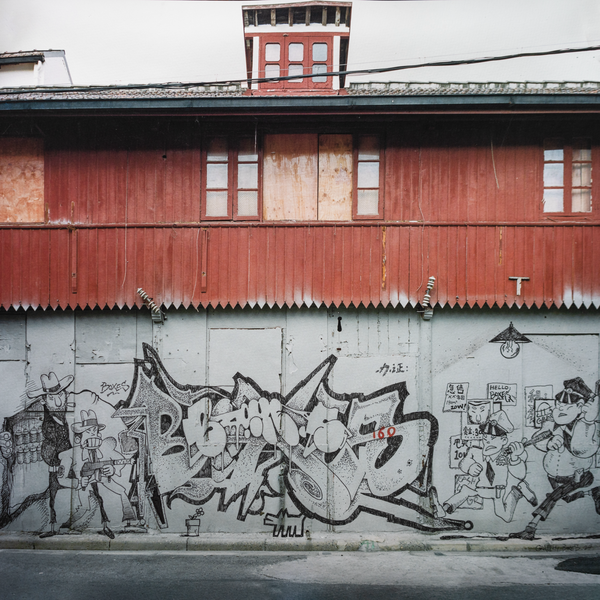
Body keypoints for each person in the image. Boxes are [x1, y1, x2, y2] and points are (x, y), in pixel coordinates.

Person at [510, 377, 600, 540]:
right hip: (553, 476)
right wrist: (547, 443)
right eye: (559, 405)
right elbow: (539, 437)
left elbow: (582, 450)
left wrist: (588, 421)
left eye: (567, 406)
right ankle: (593, 492)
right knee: (565, 497)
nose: (560, 408)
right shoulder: (554, 423)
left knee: (552, 498)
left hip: (578, 476)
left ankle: (530, 528)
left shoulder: (585, 426)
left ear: (581, 406)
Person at [443, 410, 537, 523]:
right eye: (485, 439)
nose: (487, 443)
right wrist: (470, 466)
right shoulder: (475, 452)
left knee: (504, 516)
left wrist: (515, 458)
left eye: (492, 439)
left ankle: (516, 493)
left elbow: (520, 474)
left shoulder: (507, 455)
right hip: (478, 487)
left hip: (498, 491)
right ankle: (449, 505)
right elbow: (464, 462)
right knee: (466, 491)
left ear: (504, 440)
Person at [60, 409, 135, 539]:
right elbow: (61, 478)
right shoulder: (70, 454)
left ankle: (129, 521)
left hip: (103, 481)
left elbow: (120, 460)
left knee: (120, 492)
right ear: (79, 437)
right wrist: (78, 482)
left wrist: (112, 470)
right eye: (88, 432)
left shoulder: (103, 448)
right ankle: (67, 526)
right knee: (84, 507)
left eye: (95, 431)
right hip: (84, 485)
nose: (93, 435)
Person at [26, 372, 74, 538]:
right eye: (52, 398)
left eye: (61, 395)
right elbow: (49, 446)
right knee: (55, 494)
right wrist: (61, 457)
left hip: (68, 461)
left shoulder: (63, 417)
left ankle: (66, 523)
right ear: (44, 401)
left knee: (68, 493)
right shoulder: (50, 423)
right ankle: (53, 526)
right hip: (57, 463)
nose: (59, 401)